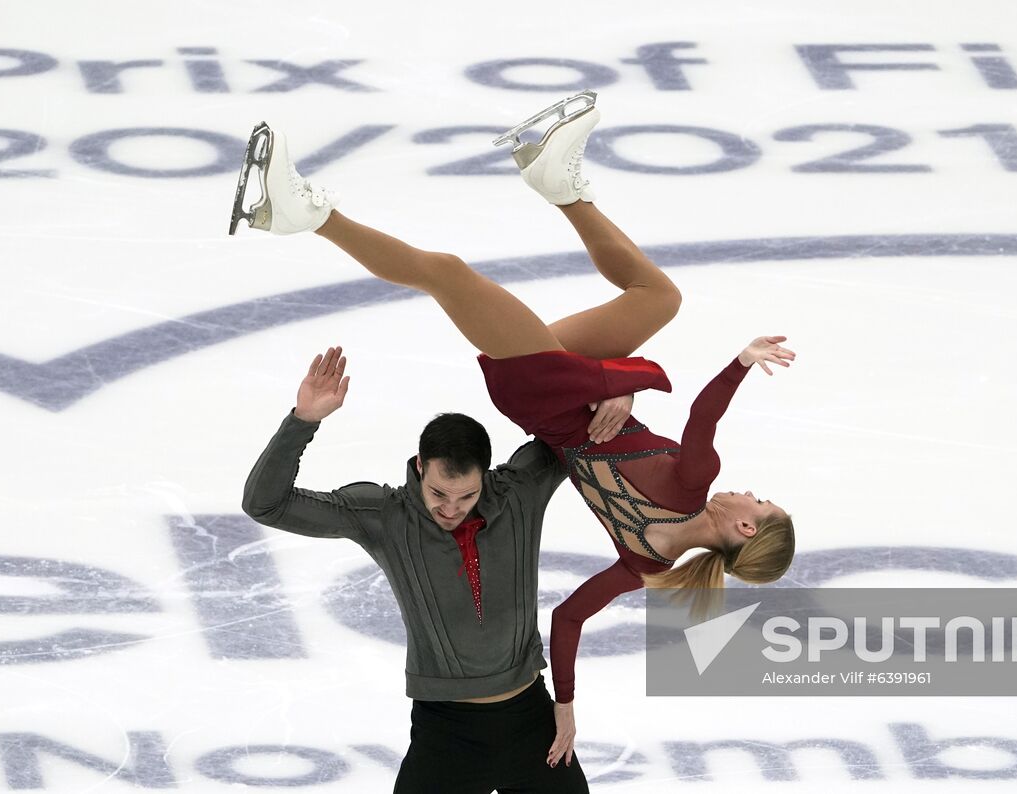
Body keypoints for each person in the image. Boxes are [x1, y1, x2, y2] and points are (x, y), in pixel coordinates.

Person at [230, 91, 796, 770]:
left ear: (742, 532)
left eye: (759, 504)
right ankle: (556, 181)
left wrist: (734, 362)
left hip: (551, 391)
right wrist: (564, 701)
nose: (752, 495)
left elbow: (704, 418)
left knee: (447, 275)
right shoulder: (646, 564)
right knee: (657, 299)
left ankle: (304, 214)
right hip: (559, 401)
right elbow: (568, 619)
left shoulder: (694, 482)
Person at [241, 343, 631, 792]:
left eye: (465, 495)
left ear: (484, 474)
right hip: (445, 735)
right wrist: (302, 422)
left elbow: (587, 424)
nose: (451, 509)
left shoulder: (520, 490)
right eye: (439, 493)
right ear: (421, 466)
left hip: (533, 725)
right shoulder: (385, 515)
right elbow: (265, 505)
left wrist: (622, 390)